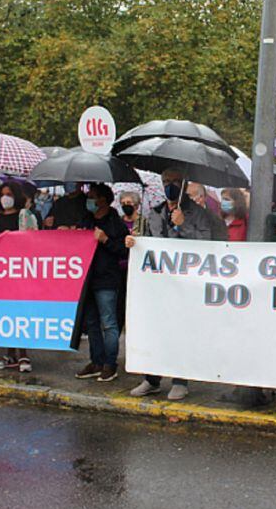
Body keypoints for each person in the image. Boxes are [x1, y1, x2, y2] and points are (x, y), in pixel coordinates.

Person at [126, 167, 219, 400]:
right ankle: (152, 378)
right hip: (158, 284)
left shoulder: (198, 213)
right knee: (155, 331)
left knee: (180, 331)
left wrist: (183, 224)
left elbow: (206, 245)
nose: (170, 185)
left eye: (175, 181)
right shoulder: (154, 213)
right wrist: (133, 242)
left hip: (185, 285)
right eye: (166, 180)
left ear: (184, 184)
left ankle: (180, 380)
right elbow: (145, 240)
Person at [72, 183, 128, 382]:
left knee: (109, 323)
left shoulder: (115, 223)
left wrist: (105, 240)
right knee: (92, 322)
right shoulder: (85, 219)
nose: (89, 199)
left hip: (107, 279)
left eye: (93, 196)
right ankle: (96, 361)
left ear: (104, 200)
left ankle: (110, 364)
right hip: (87, 278)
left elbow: (124, 250)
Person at [0, 182, 37, 373]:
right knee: (6, 313)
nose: (5, 197)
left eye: (9, 194)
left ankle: (23, 353)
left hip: (19, 271)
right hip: (1, 273)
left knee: (20, 311)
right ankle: (10, 353)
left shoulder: (23, 215)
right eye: (2, 194)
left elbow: (33, 239)